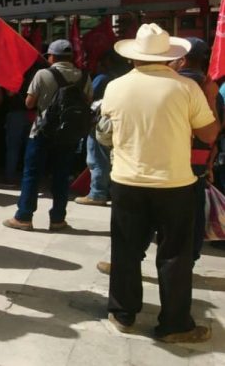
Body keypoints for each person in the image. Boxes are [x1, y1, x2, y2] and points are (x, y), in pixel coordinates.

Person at [103, 23, 219, 343]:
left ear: (133, 56)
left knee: (126, 250)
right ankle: (175, 325)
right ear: (170, 57)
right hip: (174, 183)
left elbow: (108, 130)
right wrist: (210, 98)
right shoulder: (186, 88)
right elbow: (209, 134)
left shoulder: (115, 87)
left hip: (127, 180)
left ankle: (122, 313)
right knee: (175, 255)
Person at [4, 39, 92, 232]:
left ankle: (24, 217)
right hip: (68, 134)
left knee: (32, 175)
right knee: (61, 176)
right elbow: (87, 101)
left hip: (42, 132)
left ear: (52, 57)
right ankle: (58, 219)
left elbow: (29, 103)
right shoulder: (84, 76)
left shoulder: (42, 74)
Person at [174, 37, 219, 262]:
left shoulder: (174, 85)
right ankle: (190, 257)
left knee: (166, 208)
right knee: (195, 208)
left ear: (182, 59)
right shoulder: (211, 88)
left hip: (173, 154)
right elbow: (216, 129)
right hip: (201, 158)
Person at [75, 50, 130, 206]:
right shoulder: (124, 78)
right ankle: (110, 191)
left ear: (108, 62)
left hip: (101, 123)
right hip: (118, 122)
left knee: (97, 158)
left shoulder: (103, 78)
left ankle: (97, 193)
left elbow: (89, 96)